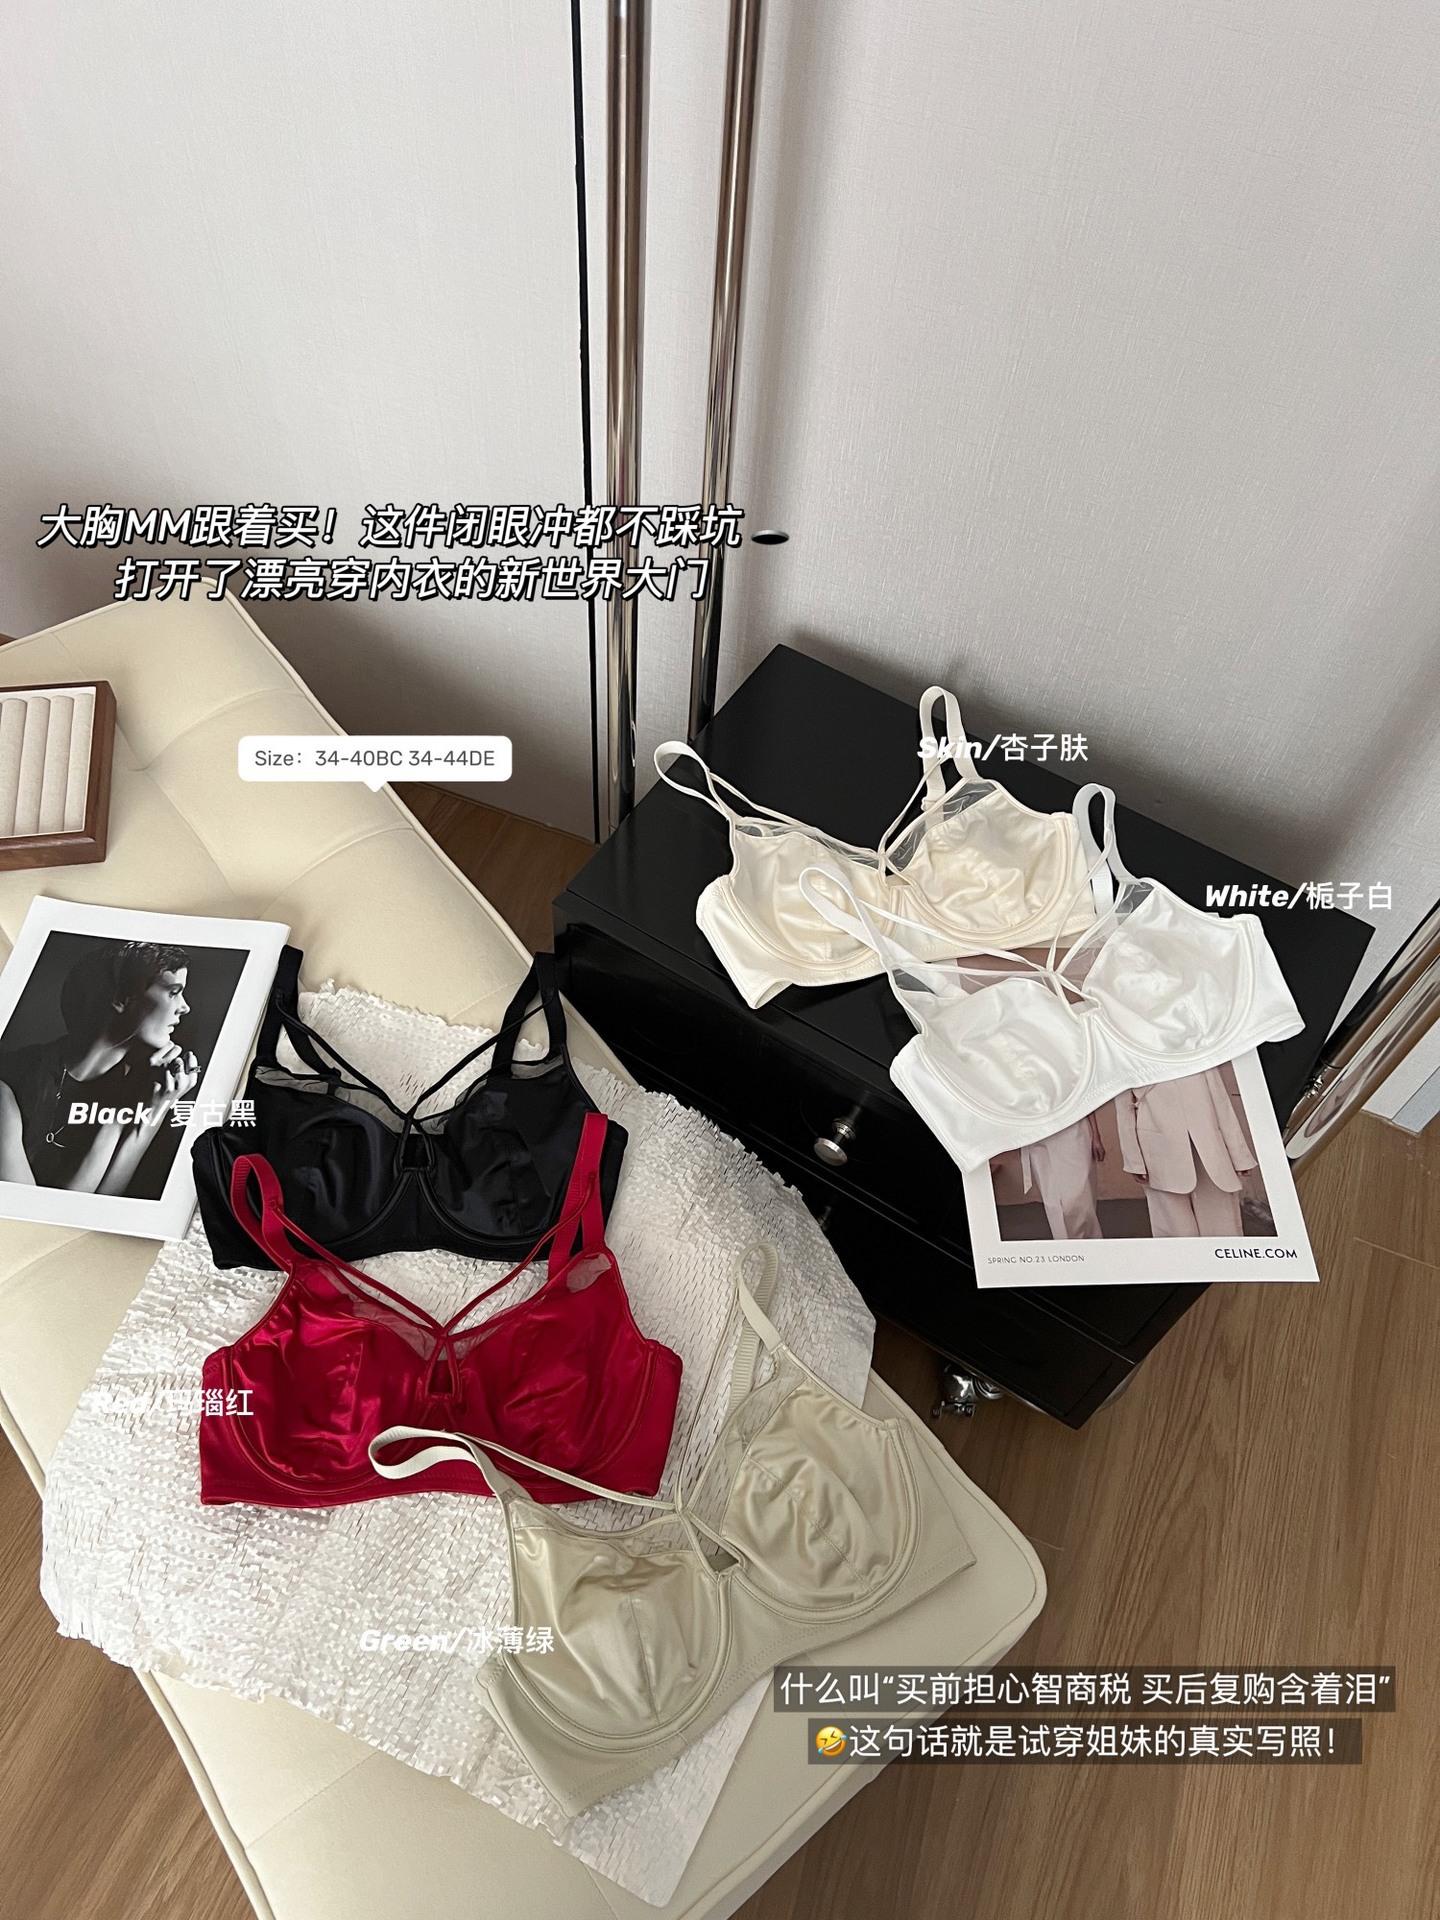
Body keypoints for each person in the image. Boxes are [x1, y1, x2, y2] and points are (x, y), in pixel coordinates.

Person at [0, 941, 199, 1196]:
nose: (185, 1007)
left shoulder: (144, 1086)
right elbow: (40, 1210)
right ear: (121, 998)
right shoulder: (12, 1078)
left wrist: (151, 1115)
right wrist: (120, 1115)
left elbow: (102, 1204)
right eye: (173, 992)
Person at [1114, 1069, 1257, 1238]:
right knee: (1176, 1232)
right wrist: (1134, 1160)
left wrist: (1239, 1155)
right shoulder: (1128, 1058)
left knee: (1222, 1228)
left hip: (1210, 1150)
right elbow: (1124, 1111)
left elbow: (1221, 1102)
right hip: (1159, 1153)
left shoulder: (1198, 1052)